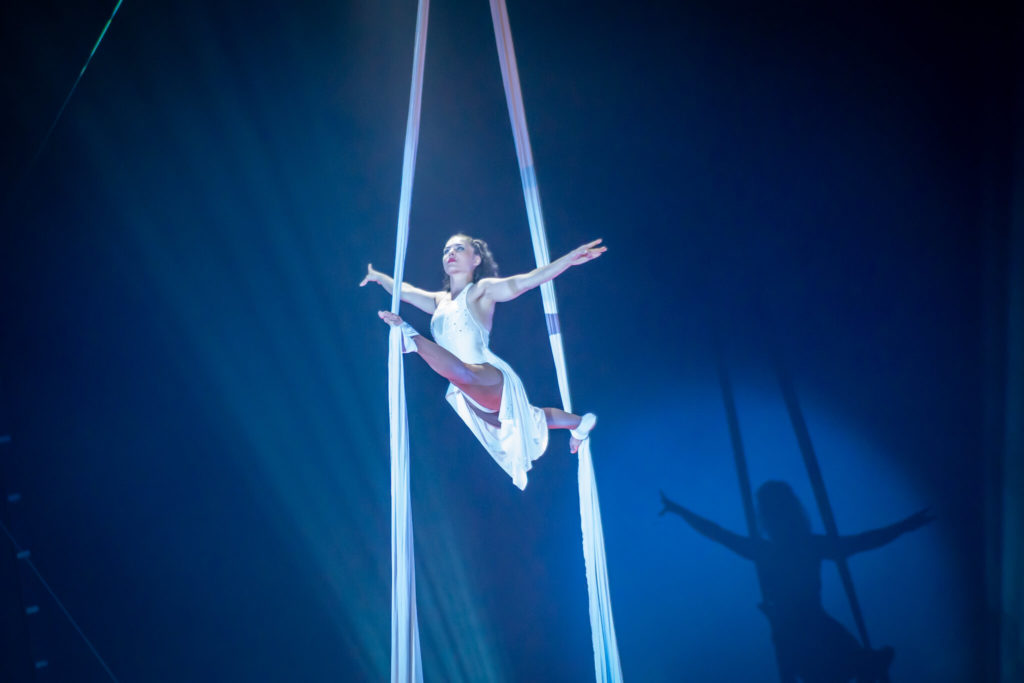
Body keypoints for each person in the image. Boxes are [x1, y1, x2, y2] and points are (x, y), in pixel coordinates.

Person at [360, 234, 605, 489]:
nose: (450, 253)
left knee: (463, 374)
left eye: (459, 248)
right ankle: (579, 424)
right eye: (446, 250)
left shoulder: (481, 291)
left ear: (476, 259)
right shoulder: (438, 302)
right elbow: (403, 291)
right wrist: (378, 277)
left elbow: (526, 281)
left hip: (488, 376)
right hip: (468, 395)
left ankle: (411, 339)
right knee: (526, 419)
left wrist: (569, 259)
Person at [659, 481, 933, 683]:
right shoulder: (797, 548)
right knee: (849, 663)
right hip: (801, 633)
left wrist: (903, 527)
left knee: (848, 663)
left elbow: (861, 542)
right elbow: (717, 533)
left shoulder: (782, 549)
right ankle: (864, 664)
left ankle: (865, 664)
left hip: (804, 631)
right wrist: (679, 510)